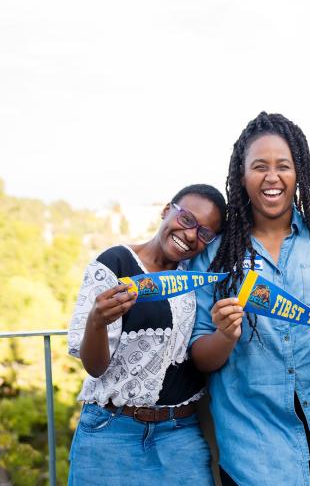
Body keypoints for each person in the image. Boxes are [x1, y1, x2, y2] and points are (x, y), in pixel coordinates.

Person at [190, 112, 310, 486]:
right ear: (241, 176)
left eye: (283, 166)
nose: (272, 176)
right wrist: (225, 335)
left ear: (299, 173)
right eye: (259, 166)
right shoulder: (213, 257)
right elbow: (200, 355)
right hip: (255, 453)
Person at [67, 184, 226, 486]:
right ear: (167, 211)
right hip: (112, 432)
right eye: (187, 219)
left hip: (180, 436)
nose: (191, 235)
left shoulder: (197, 277)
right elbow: (95, 367)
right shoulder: (115, 264)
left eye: (205, 233)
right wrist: (97, 322)